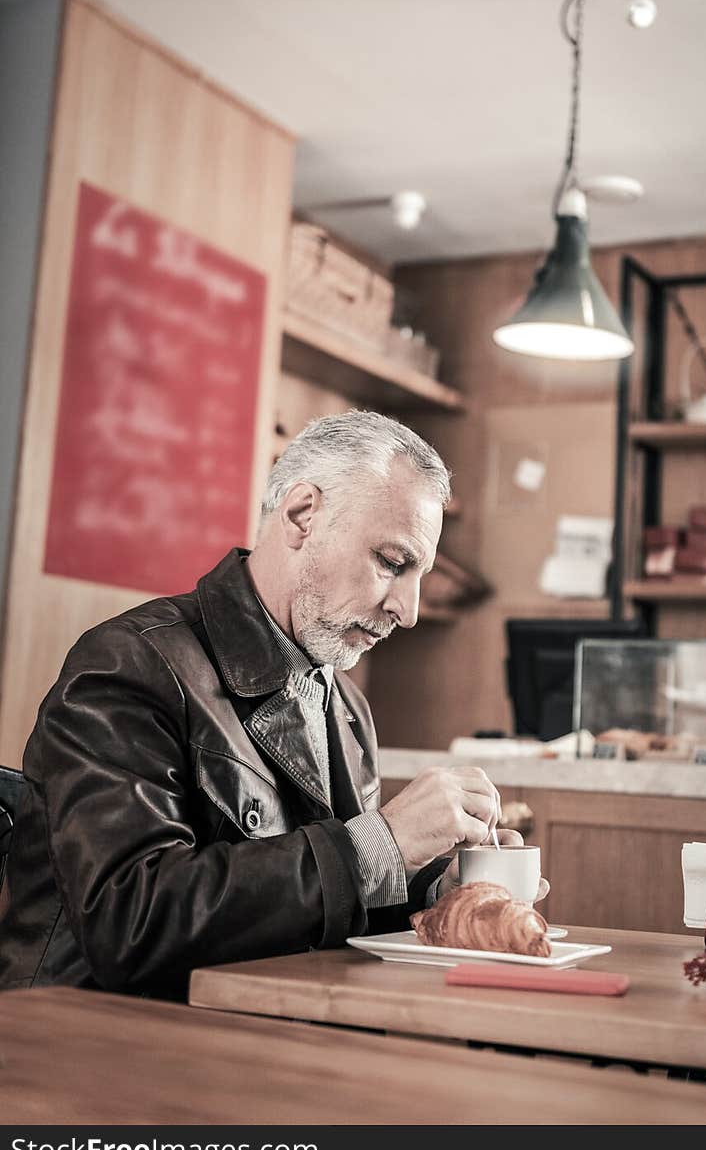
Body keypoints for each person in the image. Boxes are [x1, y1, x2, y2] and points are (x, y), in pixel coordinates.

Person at [0, 410, 544, 999]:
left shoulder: (346, 706)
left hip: (255, 1025)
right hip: (91, 1039)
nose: (408, 610)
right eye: (392, 563)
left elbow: (318, 910)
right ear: (301, 515)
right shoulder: (128, 663)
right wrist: (380, 843)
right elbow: (128, 924)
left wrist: (430, 888)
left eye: (419, 575)